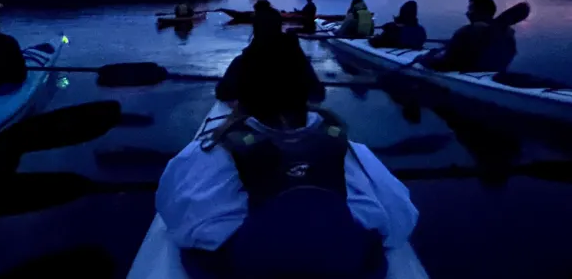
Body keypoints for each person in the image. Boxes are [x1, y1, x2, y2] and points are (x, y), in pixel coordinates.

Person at [156, 31, 419, 279]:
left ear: (241, 92)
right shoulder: (353, 153)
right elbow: (402, 222)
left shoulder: (202, 154)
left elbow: (171, 216)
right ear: (306, 89)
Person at [217, 2, 325, 104]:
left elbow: (222, 93)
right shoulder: (297, 59)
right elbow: (318, 95)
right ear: (279, 26)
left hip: (258, 114)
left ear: (255, 29)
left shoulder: (242, 61)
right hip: (290, 113)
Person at [415, 0, 528, 72]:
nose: (467, 13)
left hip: (470, 72)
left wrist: (423, 59)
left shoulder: (466, 31)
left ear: (478, 12)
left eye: (470, 9)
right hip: (495, 71)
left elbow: (445, 64)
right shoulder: (507, 32)